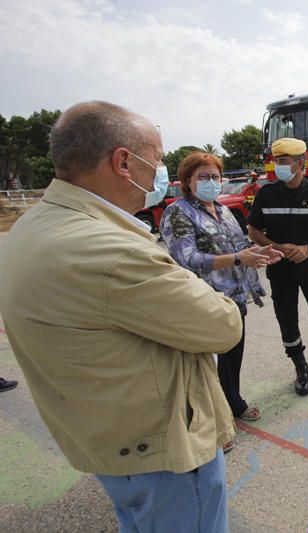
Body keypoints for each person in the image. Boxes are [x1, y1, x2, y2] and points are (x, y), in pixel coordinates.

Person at [0, 101, 244, 532]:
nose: (161, 172)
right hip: (160, 449)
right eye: (158, 159)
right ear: (124, 162)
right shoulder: (112, 249)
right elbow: (222, 325)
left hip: (109, 437)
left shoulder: (35, 226)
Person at [160, 152, 283, 452]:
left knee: (232, 356)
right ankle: (214, 422)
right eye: (203, 177)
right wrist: (240, 257)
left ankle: (234, 402)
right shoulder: (178, 213)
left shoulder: (222, 209)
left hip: (234, 296)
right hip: (204, 298)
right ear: (187, 182)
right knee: (208, 364)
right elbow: (186, 258)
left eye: (215, 176)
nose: (211, 182)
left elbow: (238, 244)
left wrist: (260, 253)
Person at [248, 138, 308, 396]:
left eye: (284, 162)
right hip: (279, 270)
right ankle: (300, 368)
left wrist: (307, 248)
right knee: (287, 319)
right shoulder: (266, 194)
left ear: (301, 164)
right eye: (277, 161)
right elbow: (253, 230)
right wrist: (274, 246)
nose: (279, 167)